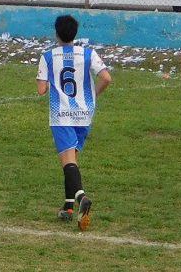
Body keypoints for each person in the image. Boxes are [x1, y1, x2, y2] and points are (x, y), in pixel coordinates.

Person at [37, 15, 111, 230]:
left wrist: (51, 84)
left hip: (62, 115)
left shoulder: (48, 56)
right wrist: (94, 94)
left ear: (56, 33)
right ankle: (68, 207)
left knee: (67, 161)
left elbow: (41, 90)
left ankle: (81, 197)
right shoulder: (88, 53)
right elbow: (106, 78)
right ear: (75, 33)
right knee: (73, 160)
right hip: (85, 113)